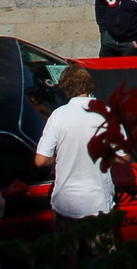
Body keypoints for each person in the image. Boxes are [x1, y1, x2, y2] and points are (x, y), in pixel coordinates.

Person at [34, 66, 115, 256]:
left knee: (67, 260)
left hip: (66, 203)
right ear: (89, 85)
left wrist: (60, 157)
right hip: (98, 202)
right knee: (101, 262)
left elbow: (40, 160)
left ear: (65, 89)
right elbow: (121, 155)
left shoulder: (58, 116)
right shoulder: (105, 113)